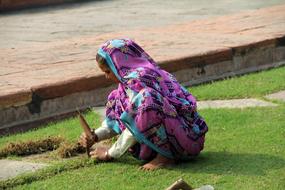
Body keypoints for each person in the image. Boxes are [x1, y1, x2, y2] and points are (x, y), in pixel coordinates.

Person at [79, 38, 208, 170]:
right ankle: (160, 152)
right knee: (116, 99)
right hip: (174, 133)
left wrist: (110, 153)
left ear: (118, 65)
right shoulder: (125, 87)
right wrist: (95, 136)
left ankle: (166, 157)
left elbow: (135, 123)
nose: (106, 77)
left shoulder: (144, 80)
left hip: (185, 139)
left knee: (147, 99)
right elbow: (121, 121)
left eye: (108, 71)